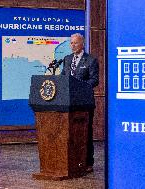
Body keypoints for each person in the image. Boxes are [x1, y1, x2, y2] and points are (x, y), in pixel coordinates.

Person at [61, 33, 99, 173]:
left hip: (85, 103)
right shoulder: (67, 59)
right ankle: (72, 160)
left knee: (85, 132)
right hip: (68, 103)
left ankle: (88, 161)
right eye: (71, 43)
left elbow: (95, 80)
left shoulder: (91, 60)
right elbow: (63, 78)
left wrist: (78, 87)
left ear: (82, 44)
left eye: (75, 43)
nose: (73, 45)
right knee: (70, 132)